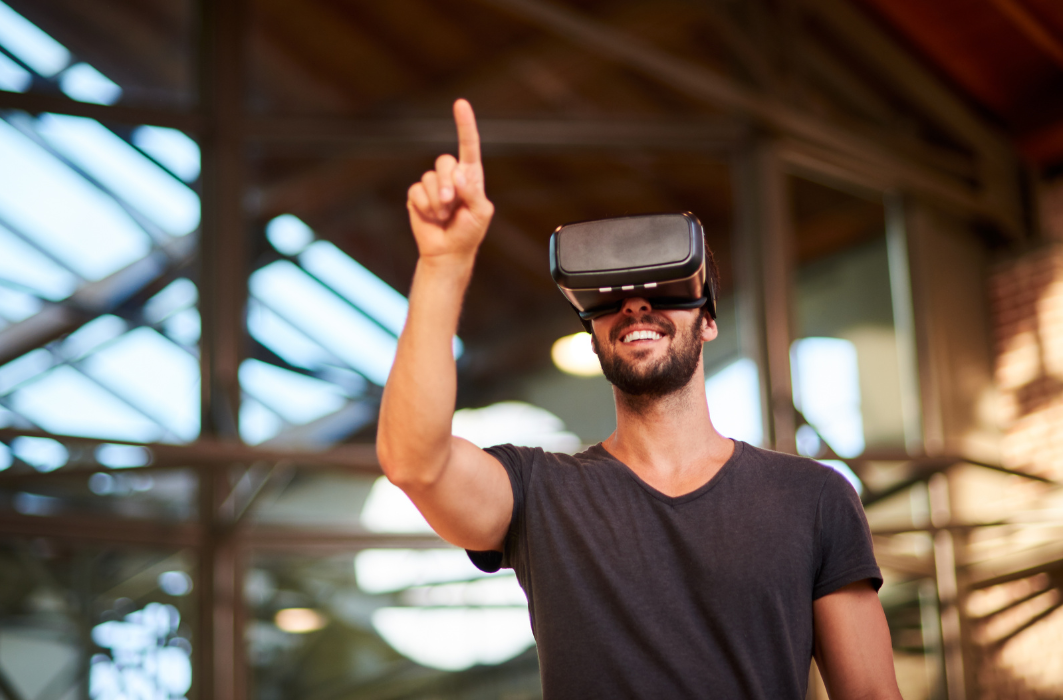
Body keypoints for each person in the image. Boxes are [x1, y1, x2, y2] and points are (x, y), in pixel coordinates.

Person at [376, 98, 903, 699]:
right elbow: (413, 461)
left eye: (663, 291)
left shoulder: (813, 497)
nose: (635, 305)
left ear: (707, 322)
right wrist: (444, 263)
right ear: (594, 335)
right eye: (612, 299)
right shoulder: (540, 494)